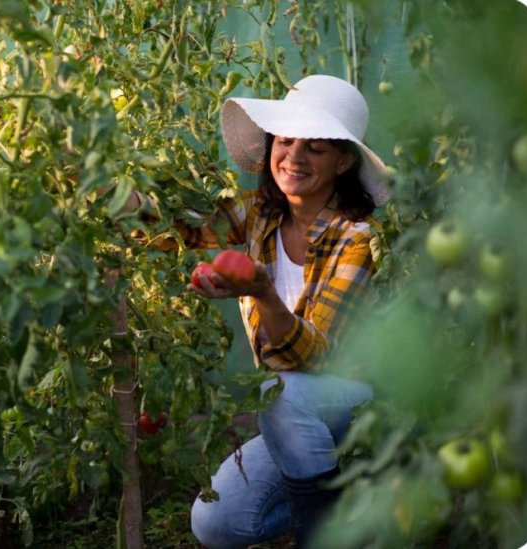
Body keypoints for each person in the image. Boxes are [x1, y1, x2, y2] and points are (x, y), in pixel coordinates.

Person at [127, 75, 390, 548]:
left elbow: (315, 357)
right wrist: (107, 191)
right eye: (285, 141)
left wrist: (262, 292)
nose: (294, 157)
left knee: (280, 387)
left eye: (315, 148)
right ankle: (350, 504)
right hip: (289, 405)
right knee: (217, 523)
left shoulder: (356, 237)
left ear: (343, 161)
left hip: (353, 403)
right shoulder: (256, 216)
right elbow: (174, 230)